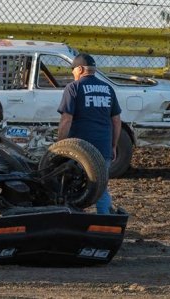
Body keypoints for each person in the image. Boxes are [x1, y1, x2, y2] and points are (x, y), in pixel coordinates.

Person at [57, 53, 122, 214]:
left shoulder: (74, 87)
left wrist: (59, 147)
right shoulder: (108, 89)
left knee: (72, 184)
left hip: (80, 149)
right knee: (101, 186)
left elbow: (66, 120)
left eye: (73, 69)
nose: (72, 73)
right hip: (102, 146)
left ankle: (74, 221)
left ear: (80, 69)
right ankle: (105, 220)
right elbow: (116, 121)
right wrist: (113, 145)